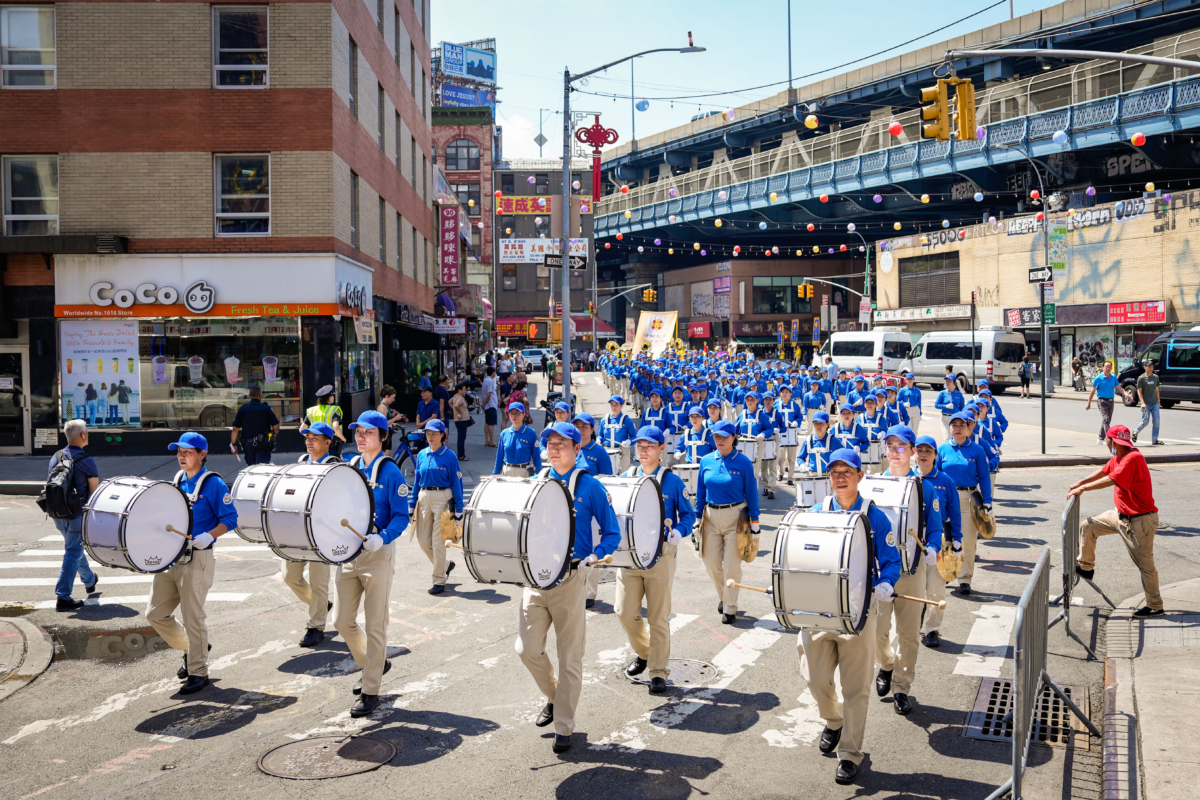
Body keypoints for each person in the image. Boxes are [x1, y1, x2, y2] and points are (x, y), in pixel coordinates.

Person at [801, 448, 900, 785]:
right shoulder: (815, 513)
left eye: (847, 471)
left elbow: (890, 560)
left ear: (860, 476)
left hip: (859, 613)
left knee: (856, 688)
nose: (840, 476)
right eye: (834, 471)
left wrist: (886, 582)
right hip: (820, 611)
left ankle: (850, 753)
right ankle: (833, 720)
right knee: (814, 679)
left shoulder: (877, 517)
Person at [522, 422, 621, 753]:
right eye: (550, 443)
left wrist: (594, 556)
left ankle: (564, 726)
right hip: (535, 580)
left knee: (570, 657)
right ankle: (555, 696)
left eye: (561, 444)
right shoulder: (537, 482)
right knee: (526, 650)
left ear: (577, 449)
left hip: (570, 579)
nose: (553, 448)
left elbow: (612, 534)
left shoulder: (589, 486)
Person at [146, 432, 238, 695]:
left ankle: (198, 673)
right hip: (172, 557)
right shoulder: (177, 479)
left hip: (198, 558)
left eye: (187, 452)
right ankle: (193, 646)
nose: (181, 456)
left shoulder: (214, 483)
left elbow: (231, 517)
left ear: (201, 454)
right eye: (178, 452)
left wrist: (209, 535)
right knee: (154, 613)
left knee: (192, 617)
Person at [338, 411, 411, 717]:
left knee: (375, 624)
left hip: (377, 555)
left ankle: (370, 690)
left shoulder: (390, 471)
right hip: (349, 554)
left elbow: (401, 516)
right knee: (341, 621)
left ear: (382, 437)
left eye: (368, 432)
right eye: (358, 432)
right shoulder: (350, 467)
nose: (360, 436)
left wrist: (382, 538)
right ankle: (375, 662)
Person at [619, 427, 695, 694]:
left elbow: (688, 514)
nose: (643, 450)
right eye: (640, 445)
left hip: (661, 554)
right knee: (624, 612)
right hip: (629, 556)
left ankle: (658, 671)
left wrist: (679, 532)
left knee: (658, 616)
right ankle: (645, 651)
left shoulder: (671, 481)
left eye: (649, 445)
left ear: (662, 448)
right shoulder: (626, 477)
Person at [874, 425, 942, 717]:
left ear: (913, 451)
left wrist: (934, 548)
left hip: (911, 570)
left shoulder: (924, 488)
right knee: (876, 631)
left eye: (901, 446)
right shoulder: (874, 485)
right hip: (881, 572)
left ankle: (902, 687)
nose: (895, 452)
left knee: (909, 635)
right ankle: (886, 664)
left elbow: (936, 527)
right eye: (891, 446)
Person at [1069, 425, 1163, 617]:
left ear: (1112, 441)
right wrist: (1079, 483)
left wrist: (1083, 490)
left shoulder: (1132, 458)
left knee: (1146, 565)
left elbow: (1111, 479)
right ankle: (1086, 568)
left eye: (1108, 440)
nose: (1107, 443)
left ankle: (1155, 605)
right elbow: (1103, 472)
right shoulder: (1118, 457)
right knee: (1089, 525)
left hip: (1139, 521)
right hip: (1120, 515)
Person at [694, 420, 760, 625]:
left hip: (736, 518)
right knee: (711, 563)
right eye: (716, 436)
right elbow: (700, 493)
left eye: (724, 436)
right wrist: (697, 519)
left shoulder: (743, 462)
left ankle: (730, 607)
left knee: (732, 565)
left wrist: (755, 523)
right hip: (711, 517)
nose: (719, 440)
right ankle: (724, 595)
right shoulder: (706, 461)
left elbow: (752, 493)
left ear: (734, 437)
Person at [286, 422, 340, 648]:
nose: (309, 441)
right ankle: (320, 605)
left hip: (321, 533)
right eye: (307, 437)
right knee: (290, 575)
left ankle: (316, 626)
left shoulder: (334, 466)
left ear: (328, 442)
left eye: (314, 438)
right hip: (299, 531)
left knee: (319, 582)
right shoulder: (299, 463)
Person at [936, 411, 992, 596]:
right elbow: (934, 475)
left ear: (968, 428)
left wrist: (988, 502)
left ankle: (965, 578)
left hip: (968, 500)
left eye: (962, 425)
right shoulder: (943, 449)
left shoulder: (977, 450)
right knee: (945, 539)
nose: (958, 429)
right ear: (950, 428)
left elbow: (984, 477)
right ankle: (945, 574)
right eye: (954, 425)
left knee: (967, 541)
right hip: (945, 500)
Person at [49, 419, 99, 612]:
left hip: (57, 512)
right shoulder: (87, 460)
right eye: (86, 431)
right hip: (77, 514)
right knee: (73, 551)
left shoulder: (56, 456)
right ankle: (63, 596)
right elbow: (94, 493)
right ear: (83, 435)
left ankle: (89, 579)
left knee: (74, 549)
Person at [409, 419, 463, 596]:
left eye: (434, 433)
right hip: (424, 498)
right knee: (424, 542)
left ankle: (439, 579)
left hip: (443, 498)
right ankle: (446, 565)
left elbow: (457, 482)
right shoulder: (422, 455)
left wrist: (459, 507)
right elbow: (417, 482)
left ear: (442, 435)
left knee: (438, 542)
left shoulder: (450, 456)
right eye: (427, 433)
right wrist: (411, 504)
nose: (430, 437)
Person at [230, 386, 279, 465]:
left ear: (249, 396)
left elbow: (235, 429)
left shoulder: (243, 409)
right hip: (263, 444)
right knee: (261, 470)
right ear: (260, 395)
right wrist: (273, 436)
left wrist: (233, 444)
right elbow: (276, 426)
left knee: (251, 470)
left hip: (248, 445)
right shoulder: (266, 408)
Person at [493, 402, 541, 477]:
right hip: (507, 471)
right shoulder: (504, 433)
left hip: (524, 472)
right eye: (511, 413)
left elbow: (536, 456)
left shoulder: (531, 433)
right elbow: (500, 455)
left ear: (523, 414)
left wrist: (539, 473)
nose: (514, 416)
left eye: (517, 413)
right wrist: (495, 473)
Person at [1085, 361, 1125, 446]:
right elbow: (1092, 392)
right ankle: (1110, 439)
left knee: (1106, 420)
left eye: (1109, 367)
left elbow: (1119, 388)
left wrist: (1126, 395)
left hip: (1111, 401)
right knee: (1106, 419)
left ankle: (1100, 439)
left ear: (1111, 368)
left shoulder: (1113, 377)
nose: (1107, 368)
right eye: (1106, 367)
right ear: (1103, 367)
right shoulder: (1098, 378)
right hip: (1102, 401)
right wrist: (1088, 403)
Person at [598, 395, 638, 474]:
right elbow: (600, 435)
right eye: (612, 404)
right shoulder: (604, 420)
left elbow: (635, 437)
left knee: (623, 475)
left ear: (621, 405)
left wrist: (629, 441)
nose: (614, 407)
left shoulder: (627, 420)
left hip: (622, 452)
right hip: (607, 451)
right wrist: (598, 440)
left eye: (616, 404)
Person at [303, 385, 346, 456]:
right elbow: (336, 427)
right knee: (333, 464)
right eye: (333, 395)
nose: (333, 397)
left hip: (316, 445)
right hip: (331, 444)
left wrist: (313, 437)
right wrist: (343, 438)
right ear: (329, 397)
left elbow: (302, 429)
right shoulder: (334, 410)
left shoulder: (311, 410)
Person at [1133, 360, 1164, 445]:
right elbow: (1139, 391)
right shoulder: (1141, 378)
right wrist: (1142, 403)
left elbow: (1157, 389)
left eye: (1152, 367)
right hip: (1146, 405)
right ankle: (1135, 432)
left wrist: (1158, 400)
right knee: (1145, 421)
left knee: (1156, 421)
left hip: (1154, 403)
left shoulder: (1155, 377)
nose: (1151, 368)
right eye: (1149, 366)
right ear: (1145, 367)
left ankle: (1154, 440)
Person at [450, 382, 472, 461]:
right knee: (461, 437)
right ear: (459, 390)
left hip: (459, 419)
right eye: (464, 389)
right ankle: (461, 455)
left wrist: (454, 411)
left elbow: (450, 402)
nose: (465, 391)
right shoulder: (460, 398)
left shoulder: (455, 396)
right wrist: (460, 412)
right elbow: (456, 405)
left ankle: (461, 454)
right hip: (462, 420)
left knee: (461, 437)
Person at [377, 385, 400, 456]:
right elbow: (383, 423)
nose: (393, 400)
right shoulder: (383, 407)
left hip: (386, 433)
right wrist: (395, 419)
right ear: (387, 396)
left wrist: (393, 423)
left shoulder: (384, 407)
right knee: (386, 456)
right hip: (385, 434)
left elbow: (385, 420)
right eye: (392, 398)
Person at [481, 366, 499, 447]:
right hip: (491, 404)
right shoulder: (490, 381)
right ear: (493, 373)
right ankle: (492, 441)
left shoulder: (485, 380)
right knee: (491, 424)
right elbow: (488, 394)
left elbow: (484, 394)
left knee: (487, 423)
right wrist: (484, 403)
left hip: (488, 405)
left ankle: (487, 440)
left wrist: (483, 403)